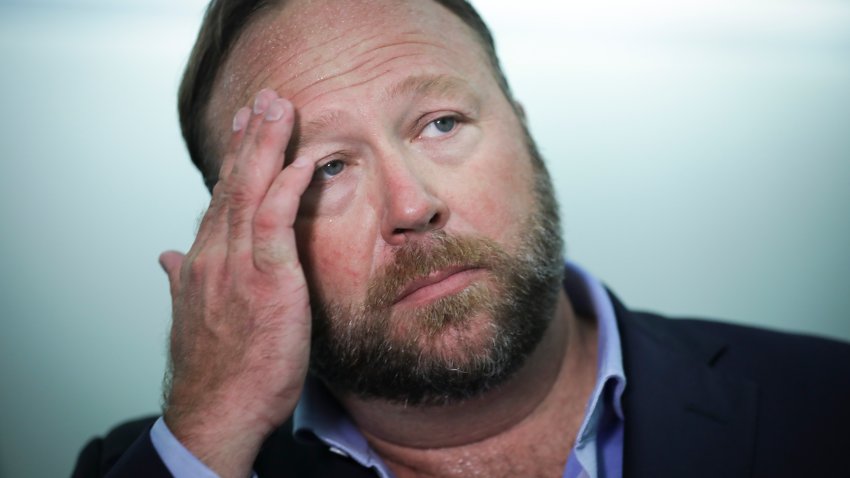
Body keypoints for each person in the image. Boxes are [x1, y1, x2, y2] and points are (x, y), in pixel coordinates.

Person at [72, 1, 850, 477]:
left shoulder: (827, 404)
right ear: (242, 237)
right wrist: (211, 428)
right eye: (329, 169)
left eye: (441, 123)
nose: (411, 205)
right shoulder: (180, 462)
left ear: (523, 125)